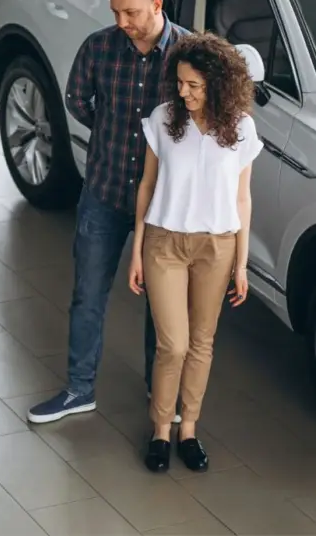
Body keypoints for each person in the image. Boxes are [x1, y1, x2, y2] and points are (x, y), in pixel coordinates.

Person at [28, 0, 189, 425]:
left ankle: (158, 389)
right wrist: (110, 131)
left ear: (157, 5)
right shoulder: (99, 47)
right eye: (115, 12)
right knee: (88, 295)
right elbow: (76, 100)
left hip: (163, 204)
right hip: (105, 191)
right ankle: (79, 389)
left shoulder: (188, 54)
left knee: (160, 303)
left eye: (131, 12)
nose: (122, 22)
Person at [129, 32, 261, 473]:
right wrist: (136, 251)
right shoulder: (164, 119)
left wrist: (241, 264)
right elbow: (147, 185)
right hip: (164, 243)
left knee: (202, 343)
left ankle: (188, 430)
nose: (183, 92)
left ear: (218, 85)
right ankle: (160, 430)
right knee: (173, 344)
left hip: (217, 246)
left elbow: (243, 198)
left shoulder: (241, 128)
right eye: (180, 83)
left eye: (194, 86)